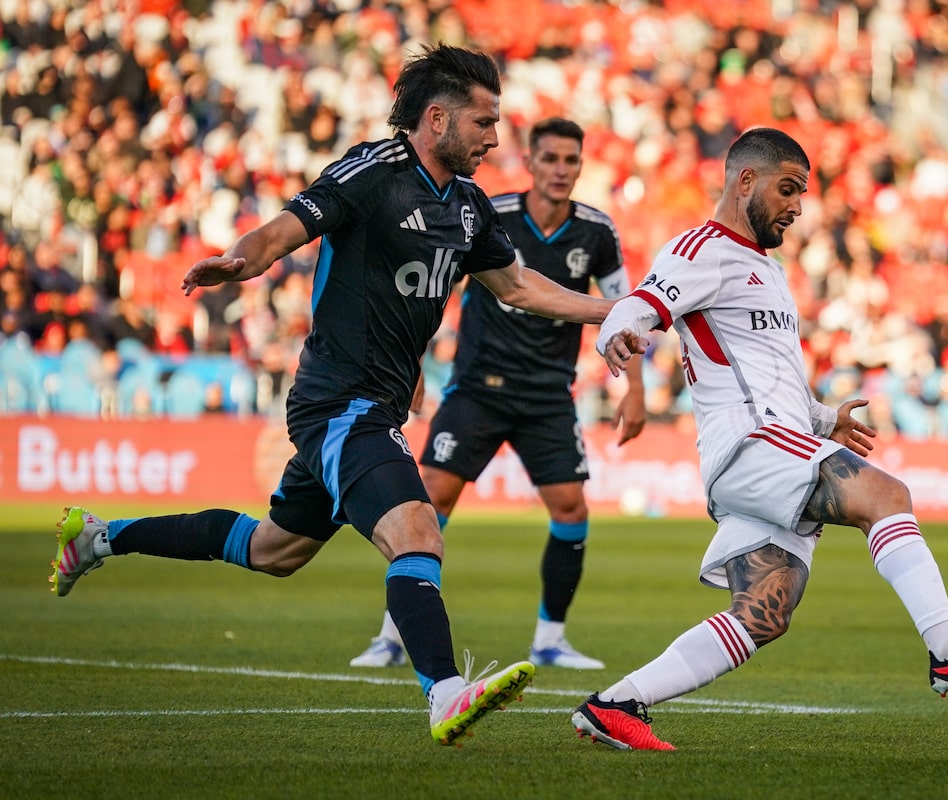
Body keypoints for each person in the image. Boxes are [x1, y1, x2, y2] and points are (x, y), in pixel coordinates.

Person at [48, 44, 616, 748]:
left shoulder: (469, 206)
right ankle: (444, 692)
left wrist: (617, 312)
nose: (494, 138)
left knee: (272, 550)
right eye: (484, 122)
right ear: (437, 119)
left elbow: (520, 287)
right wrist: (240, 262)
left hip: (375, 404)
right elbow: (282, 231)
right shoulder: (372, 172)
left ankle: (98, 537)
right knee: (417, 531)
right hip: (339, 401)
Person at [572, 128, 948, 751]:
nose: (797, 206)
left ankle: (614, 705)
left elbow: (766, 376)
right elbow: (640, 304)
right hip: (752, 445)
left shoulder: (767, 269)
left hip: (770, 444)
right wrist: (618, 334)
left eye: (802, 193)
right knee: (887, 497)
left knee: (763, 614)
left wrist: (823, 420)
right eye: (788, 189)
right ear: (746, 181)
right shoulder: (701, 249)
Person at [350, 117, 646, 672]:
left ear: (581, 167)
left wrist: (634, 389)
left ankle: (550, 640)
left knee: (571, 508)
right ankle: (392, 635)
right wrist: (413, 361)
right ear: (530, 162)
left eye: (571, 160)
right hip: (478, 390)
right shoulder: (488, 215)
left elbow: (624, 311)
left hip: (548, 394)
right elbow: (432, 290)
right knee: (428, 503)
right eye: (550, 158)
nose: (560, 170)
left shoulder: (597, 231)